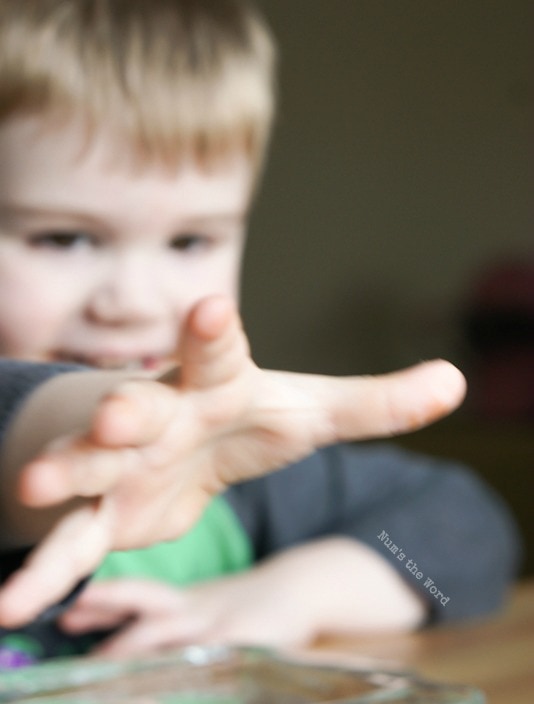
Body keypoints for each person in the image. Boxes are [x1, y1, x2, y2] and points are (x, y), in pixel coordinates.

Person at [0, 0, 520, 664]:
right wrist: (72, 424)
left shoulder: (238, 467)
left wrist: (293, 593)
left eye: (189, 240)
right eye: (63, 237)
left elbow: (464, 530)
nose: (132, 302)